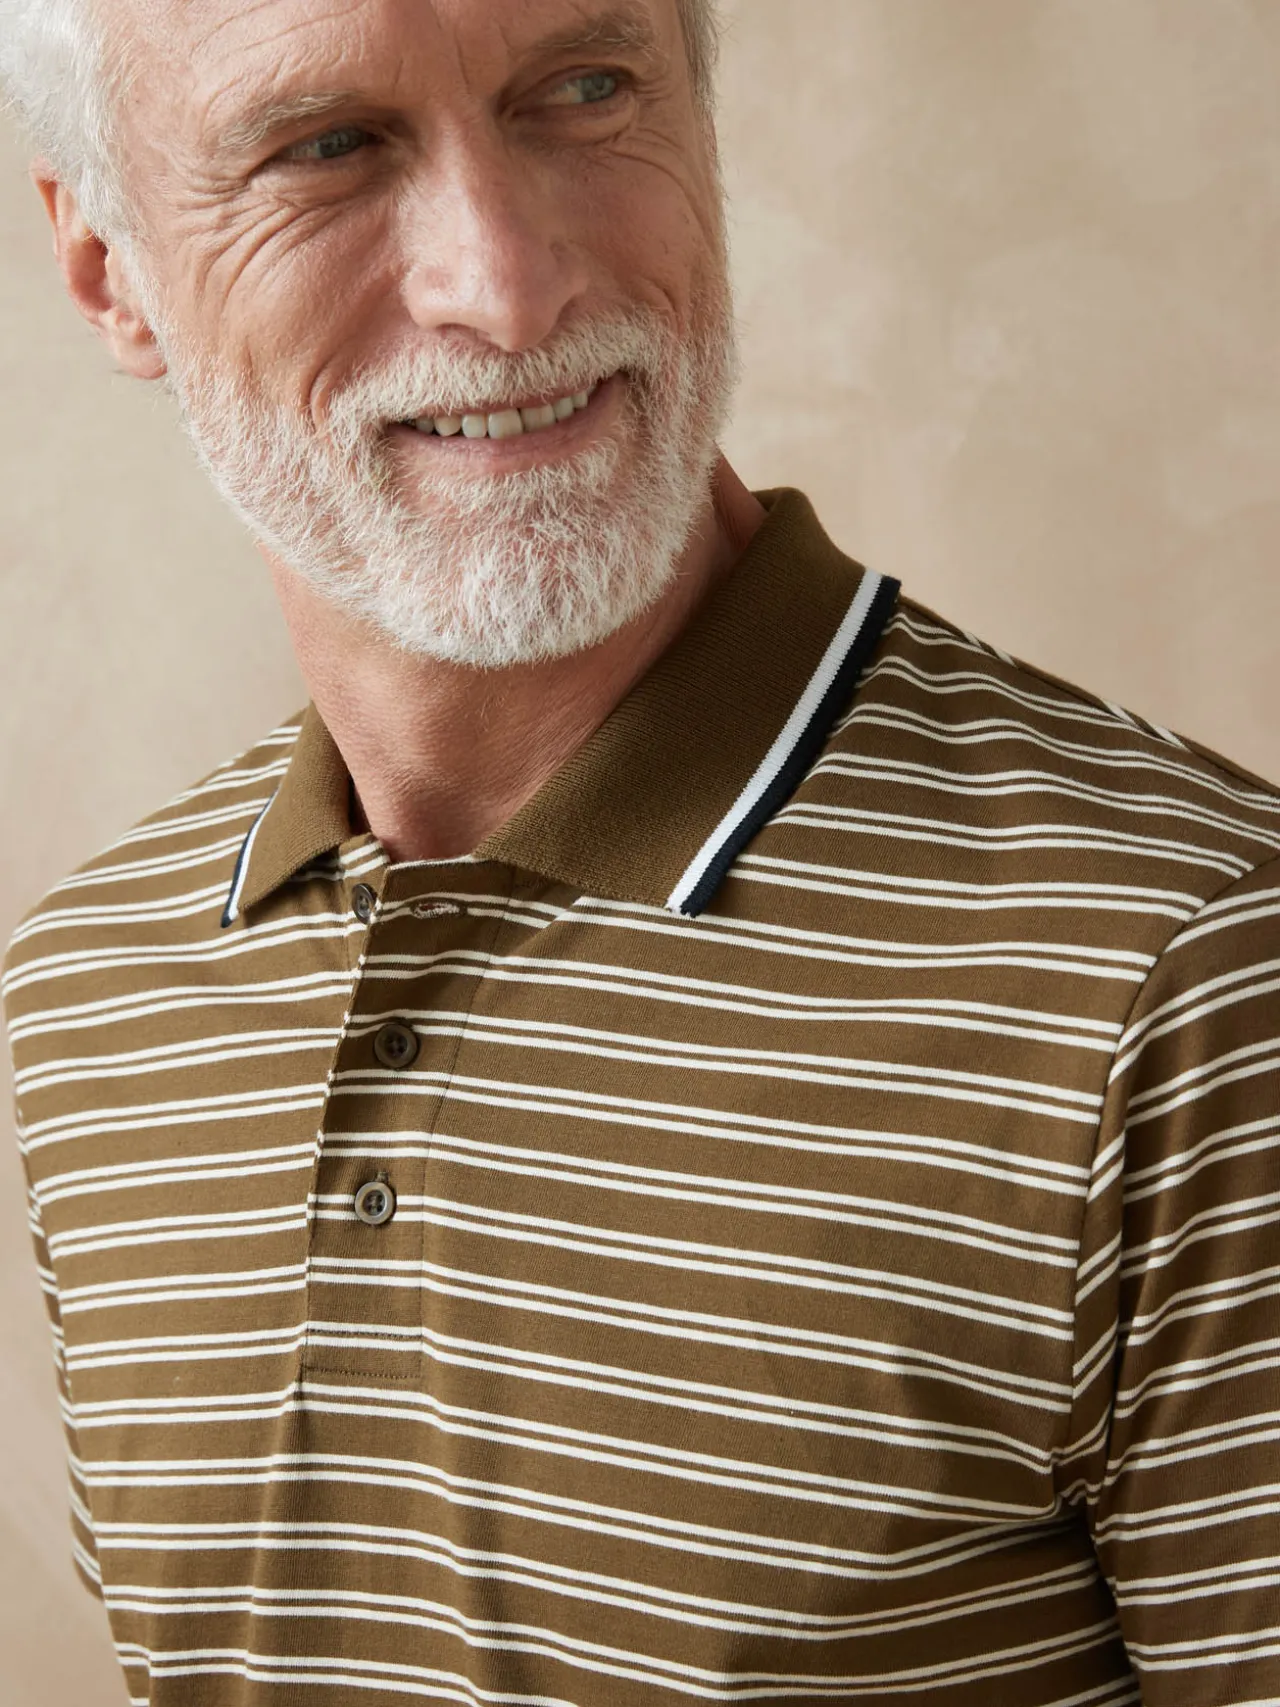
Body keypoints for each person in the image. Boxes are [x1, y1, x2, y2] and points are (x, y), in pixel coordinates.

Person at [3, 0, 1278, 1702]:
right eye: (328, 147)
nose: (506, 284)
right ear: (109, 272)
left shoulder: (1192, 976)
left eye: (584, 88)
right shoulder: (95, 994)